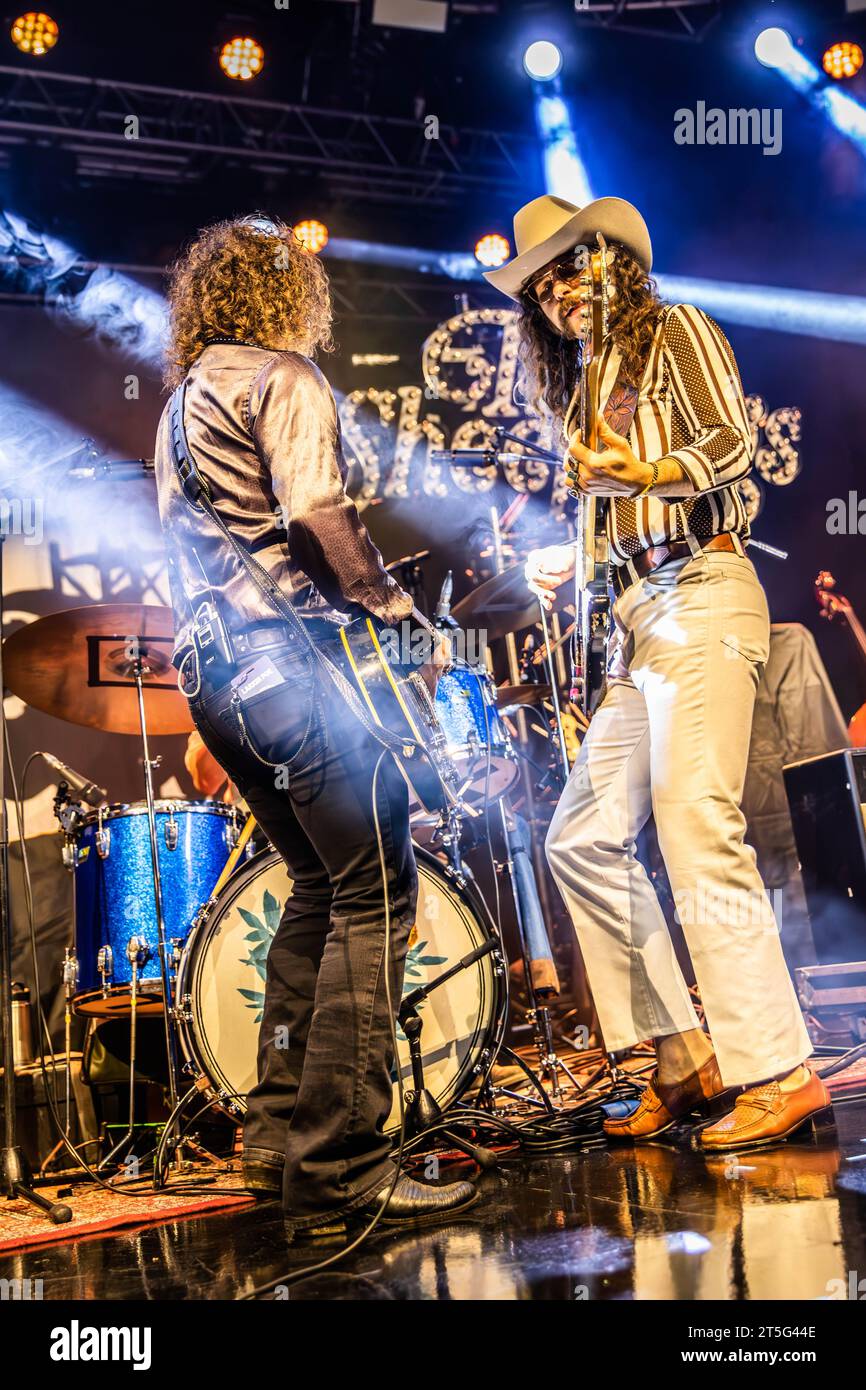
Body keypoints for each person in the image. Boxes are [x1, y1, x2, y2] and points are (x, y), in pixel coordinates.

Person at [484, 194, 831, 1150]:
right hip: (646, 619)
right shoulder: (589, 395)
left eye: (567, 267)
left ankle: (778, 1068)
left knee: (694, 822)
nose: (555, 291)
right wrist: (579, 558)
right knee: (582, 838)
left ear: (611, 263)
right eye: (539, 284)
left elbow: (731, 444)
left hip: (707, 588)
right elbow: (624, 524)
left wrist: (640, 480)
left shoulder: (673, 330)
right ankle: (684, 1052)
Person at [154, 214, 475, 1234]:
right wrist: (394, 615)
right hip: (293, 669)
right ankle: (339, 1172)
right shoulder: (283, 377)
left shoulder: (179, 402)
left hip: (214, 679)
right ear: (286, 293)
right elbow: (314, 516)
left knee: (316, 886)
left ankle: (272, 1142)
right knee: (377, 894)